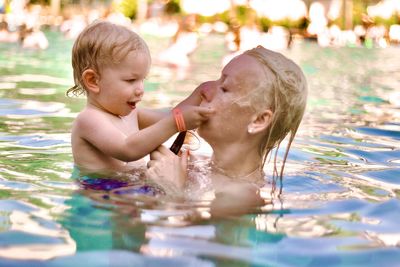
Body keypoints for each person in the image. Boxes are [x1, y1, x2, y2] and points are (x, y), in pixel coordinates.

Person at [147, 45, 308, 214]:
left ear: (259, 120)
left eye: (224, 88)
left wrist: (174, 192)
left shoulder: (242, 199)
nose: (205, 90)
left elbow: (195, 240)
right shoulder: (197, 163)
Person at [68, 20, 215, 175]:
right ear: (93, 80)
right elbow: (127, 149)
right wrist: (176, 122)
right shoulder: (88, 120)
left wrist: (199, 95)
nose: (141, 90)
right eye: (131, 80)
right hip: (99, 193)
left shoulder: (132, 114)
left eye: (142, 80)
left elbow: (173, 114)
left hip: (126, 188)